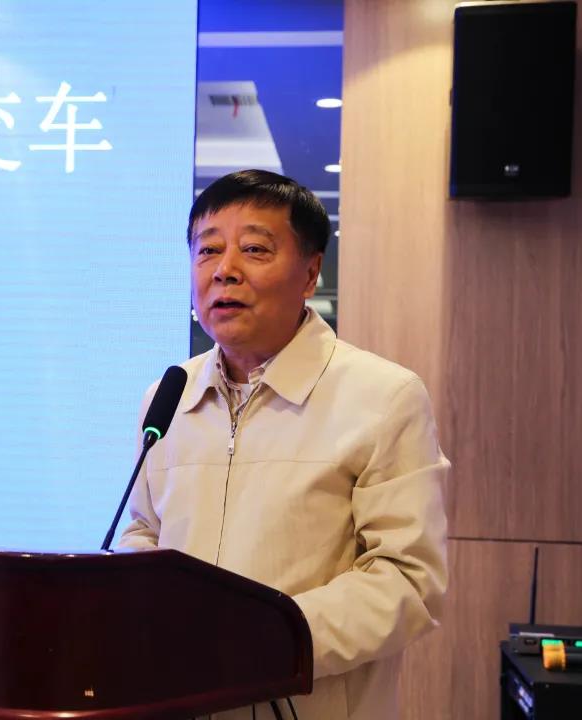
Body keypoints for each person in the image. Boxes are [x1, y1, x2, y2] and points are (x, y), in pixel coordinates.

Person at [117, 170, 449, 720]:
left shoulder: (382, 396)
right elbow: (144, 530)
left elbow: (408, 580)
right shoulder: (169, 395)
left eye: (254, 249)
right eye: (208, 250)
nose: (224, 270)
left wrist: (264, 639)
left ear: (310, 272)